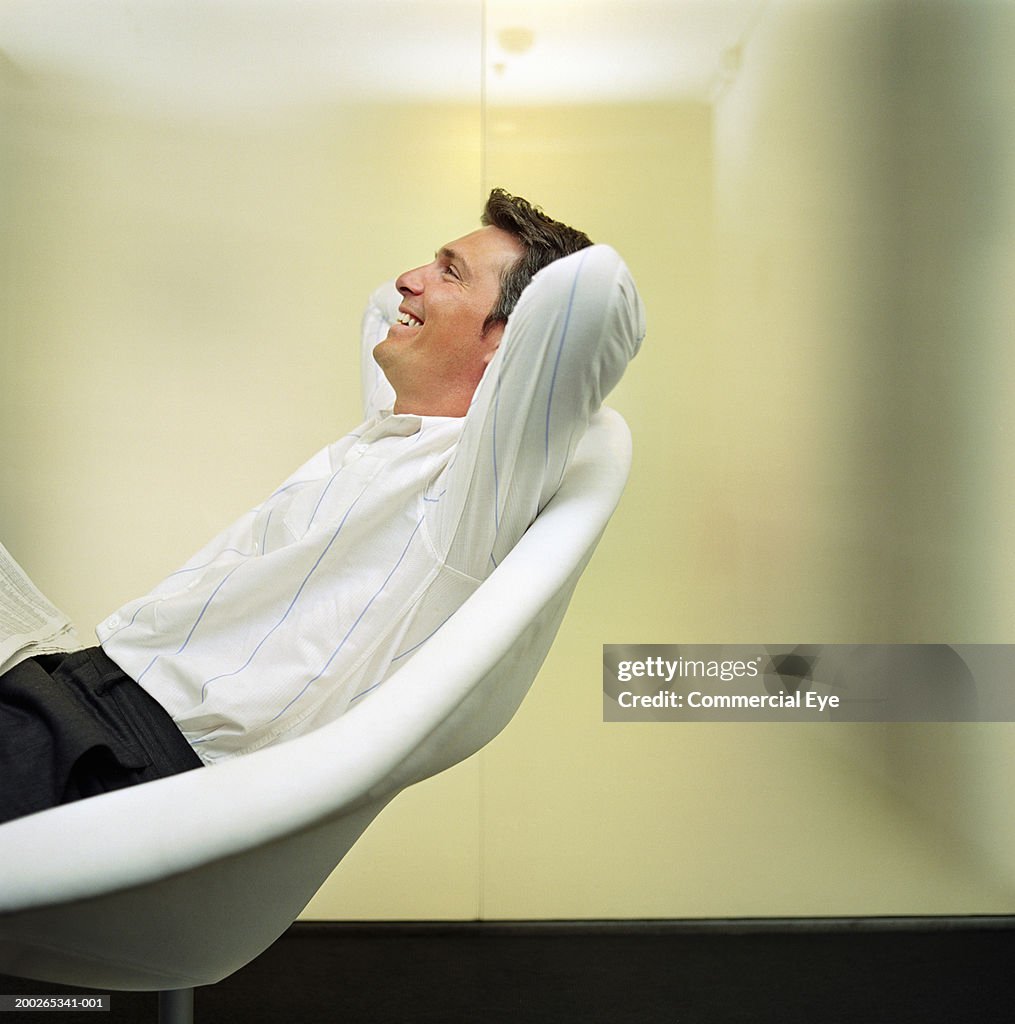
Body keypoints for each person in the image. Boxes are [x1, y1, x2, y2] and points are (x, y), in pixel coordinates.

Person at [0, 189, 644, 824]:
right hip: (78, 687)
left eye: (449, 271)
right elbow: (377, 308)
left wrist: (530, 299)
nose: (407, 280)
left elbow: (591, 295)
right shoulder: (393, 433)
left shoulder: (465, 499)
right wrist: (444, 296)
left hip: (116, 756)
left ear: (509, 342)